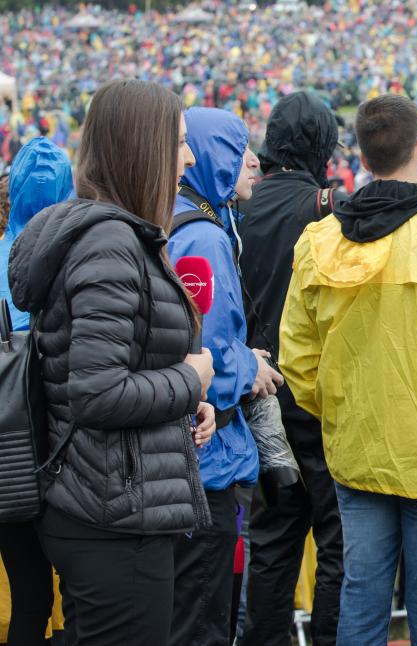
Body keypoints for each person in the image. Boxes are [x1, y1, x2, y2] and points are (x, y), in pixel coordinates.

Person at [278, 94, 417, 645]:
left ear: (361, 156)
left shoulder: (319, 240)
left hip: (357, 453)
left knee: (361, 606)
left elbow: (297, 357)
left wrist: (342, 411)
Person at [6, 79, 216, 646]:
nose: (189, 158)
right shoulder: (110, 245)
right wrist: (188, 379)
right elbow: (97, 393)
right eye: (179, 142)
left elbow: (116, 364)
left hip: (109, 504)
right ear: (142, 148)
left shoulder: (116, 237)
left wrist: (184, 402)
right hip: (112, 519)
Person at [166, 106, 283, 646]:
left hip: (191, 455)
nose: (253, 161)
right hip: (207, 456)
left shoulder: (190, 218)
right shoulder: (204, 237)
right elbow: (203, 351)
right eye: (239, 151)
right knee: (204, 618)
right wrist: (250, 365)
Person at [238, 91, 345, 646]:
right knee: (337, 540)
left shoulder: (239, 208)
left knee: (273, 540)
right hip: (321, 400)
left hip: (263, 395)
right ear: (321, 148)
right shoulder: (329, 207)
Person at [0, 138, 72, 646]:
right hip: (67, 451)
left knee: (29, 593)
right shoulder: (78, 258)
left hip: (9, 456)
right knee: (79, 593)